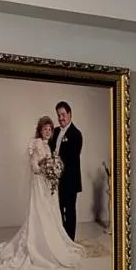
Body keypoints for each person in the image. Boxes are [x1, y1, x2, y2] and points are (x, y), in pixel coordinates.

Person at [0, 116, 84, 270]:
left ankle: (52, 243)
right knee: (40, 213)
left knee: (51, 213)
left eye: (50, 129)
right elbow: (34, 166)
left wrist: (53, 171)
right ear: (40, 130)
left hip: (48, 185)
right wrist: (45, 168)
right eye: (45, 129)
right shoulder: (36, 143)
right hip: (39, 184)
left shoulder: (48, 145)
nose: (48, 132)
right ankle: (38, 246)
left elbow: (50, 163)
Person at [50, 101, 84, 240]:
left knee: (69, 210)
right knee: (57, 209)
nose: (61, 118)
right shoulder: (55, 131)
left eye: (63, 114)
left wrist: (56, 164)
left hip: (69, 179)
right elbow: (49, 149)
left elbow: (72, 158)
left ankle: (70, 240)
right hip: (55, 179)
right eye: (58, 115)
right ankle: (60, 238)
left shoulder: (76, 134)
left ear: (70, 114)